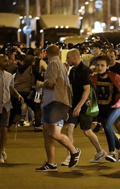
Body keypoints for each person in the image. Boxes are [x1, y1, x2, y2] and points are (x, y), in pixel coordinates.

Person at [35, 44, 81, 172]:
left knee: (54, 133)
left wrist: (40, 84)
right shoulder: (60, 64)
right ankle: (51, 163)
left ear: (46, 53)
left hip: (56, 101)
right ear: (59, 53)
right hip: (53, 102)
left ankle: (74, 151)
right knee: (47, 132)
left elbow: (50, 83)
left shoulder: (52, 64)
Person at [60, 49, 106, 167]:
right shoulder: (73, 71)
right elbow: (69, 88)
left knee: (87, 131)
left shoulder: (85, 71)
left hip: (85, 105)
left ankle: (100, 151)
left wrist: (79, 107)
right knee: (69, 128)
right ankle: (71, 155)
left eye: (68, 58)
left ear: (74, 58)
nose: (67, 60)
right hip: (75, 104)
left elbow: (87, 91)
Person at [89, 55, 120, 162]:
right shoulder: (93, 77)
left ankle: (112, 153)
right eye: (98, 65)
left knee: (107, 125)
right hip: (102, 108)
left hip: (115, 107)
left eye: (102, 65)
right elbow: (86, 88)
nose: (100, 67)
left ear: (107, 66)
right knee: (107, 128)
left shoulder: (114, 77)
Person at [0, 54, 24, 163]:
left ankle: (0, 154)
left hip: (6, 105)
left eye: (8, 61)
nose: (8, 63)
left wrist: (18, 96)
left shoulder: (9, 76)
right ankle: (0, 147)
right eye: (6, 61)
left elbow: (11, 89)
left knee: (4, 129)